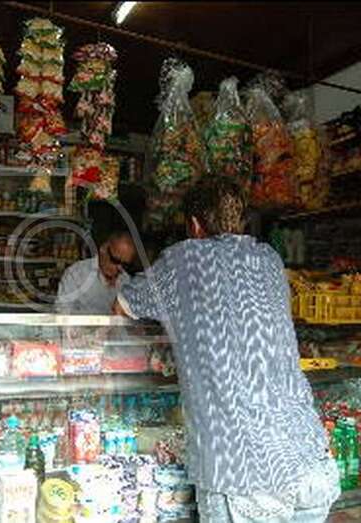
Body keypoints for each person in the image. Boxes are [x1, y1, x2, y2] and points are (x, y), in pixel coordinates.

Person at [114, 176, 339, 523]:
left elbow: (123, 307)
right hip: (311, 464)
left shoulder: (183, 260)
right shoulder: (269, 259)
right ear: (240, 220)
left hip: (244, 474)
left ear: (194, 224)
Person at [56, 231, 137, 314]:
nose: (119, 268)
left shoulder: (126, 281)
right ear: (103, 249)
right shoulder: (76, 274)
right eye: (115, 260)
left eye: (125, 264)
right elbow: (62, 313)